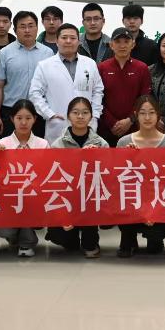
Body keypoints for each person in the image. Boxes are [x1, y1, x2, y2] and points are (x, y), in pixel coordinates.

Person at [116, 95, 165, 257]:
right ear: (136, 115)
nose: (147, 117)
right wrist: (128, 157)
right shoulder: (123, 142)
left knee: (154, 246)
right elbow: (117, 180)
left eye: (151, 113)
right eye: (143, 113)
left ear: (158, 115)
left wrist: (153, 210)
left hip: (158, 201)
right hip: (132, 199)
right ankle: (128, 239)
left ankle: (156, 238)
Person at [48, 97, 108, 258]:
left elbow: (108, 176)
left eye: (85, 112)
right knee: (64, 240)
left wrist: (96, 157)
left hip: (91, 197)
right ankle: (71, 236)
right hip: (67, 196)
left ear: (91, 116)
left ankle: (90, 240)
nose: (80, 116)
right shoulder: (57, 145)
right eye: (75, 112)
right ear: (68, 116)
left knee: (90, 203)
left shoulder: (101, 144)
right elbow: (53, 178)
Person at [29, 23, 105, 144]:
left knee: (87, 154)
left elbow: (98, 91)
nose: (68, 41)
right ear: (57, 41)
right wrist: (50, 114)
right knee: (59, 155)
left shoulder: (90, 63)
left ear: (79, 41)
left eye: (73, 38)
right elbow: (34, 94)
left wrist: (94, 115)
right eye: (64, 38)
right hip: (58, 124)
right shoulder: (44, 65)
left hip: (87, 123)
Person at [0, 99, 47, 258]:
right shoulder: (3, 143)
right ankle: (17, 236)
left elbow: (46, 174)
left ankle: (27, 242)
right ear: (12, 119)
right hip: (9, 200)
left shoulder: (43, 144)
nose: (23, 122)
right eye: (19, 118)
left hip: (35, 197)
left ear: (35, 119)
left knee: (27, 197)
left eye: (28, 118)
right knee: (3, 229)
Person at [0, 10, 53, 138]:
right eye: (22, 26)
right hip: (11, 111)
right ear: (15, 30)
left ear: (37, 28)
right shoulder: (4, 53)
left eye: (31, 26)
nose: (27, 30)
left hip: (39, 111)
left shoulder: (48, 53)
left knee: (38, 148)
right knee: (10, 148)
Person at [98, 27, 153, 144]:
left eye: (126, 41)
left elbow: (144, 98)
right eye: (118, 42)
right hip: (107, 129)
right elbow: (98, 98)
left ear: (133, 44)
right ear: (111, 45)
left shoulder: (142, 68)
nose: (122, 46)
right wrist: (112, 122)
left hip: (134, 128)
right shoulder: (102, 67)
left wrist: (130, 120)